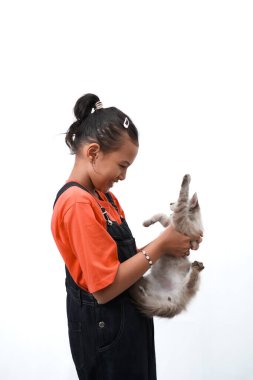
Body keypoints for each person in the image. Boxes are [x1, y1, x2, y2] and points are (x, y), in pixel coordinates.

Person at [51, 93, 202, 380]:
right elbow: (104, 288)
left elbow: (120, 262)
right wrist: (160, 245)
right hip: (105, 330)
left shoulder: (104, 198)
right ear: (93, 153)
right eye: (122, 165)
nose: (123, 176)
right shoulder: (78, 203)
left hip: (125, 321)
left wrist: (172, 242)